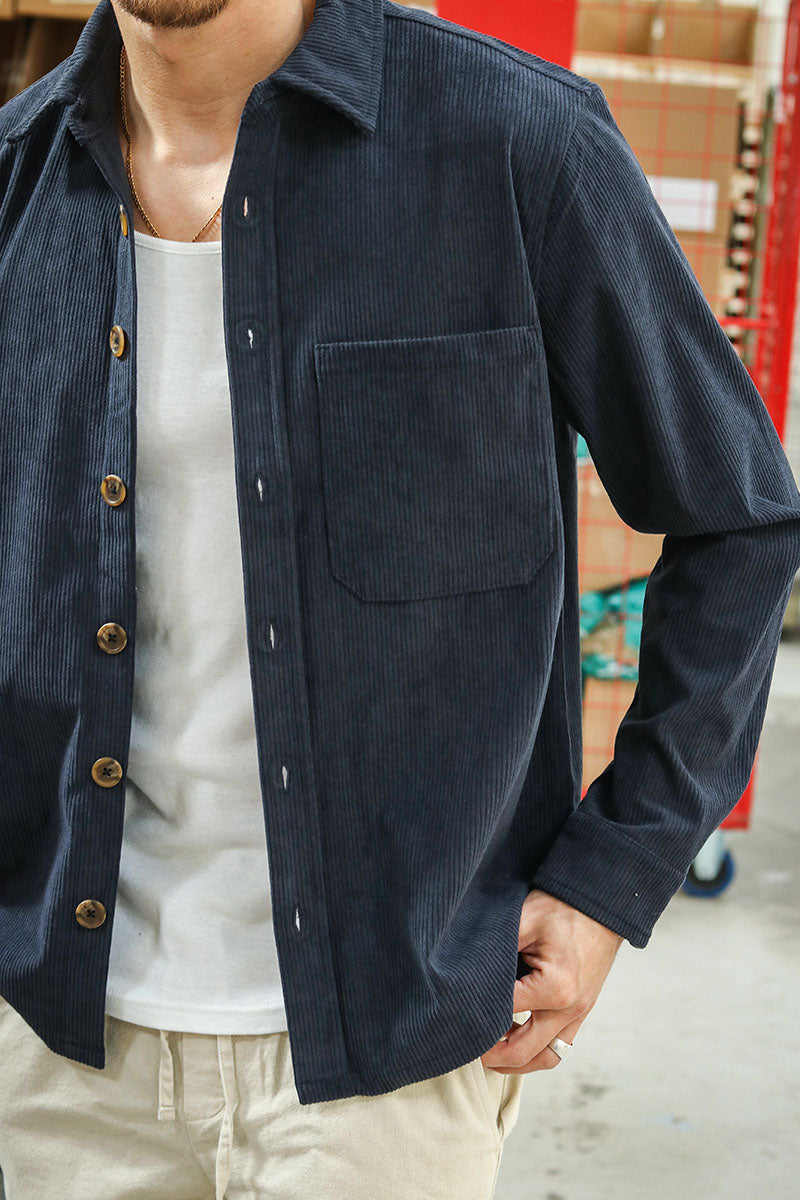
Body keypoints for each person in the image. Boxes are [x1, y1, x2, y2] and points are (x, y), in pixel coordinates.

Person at [1, 0, 799, 1196]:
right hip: (60, 1063)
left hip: (388, 1063)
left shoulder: (518, 142)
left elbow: (737, 519)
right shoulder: (15, 188)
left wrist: (610, 876)